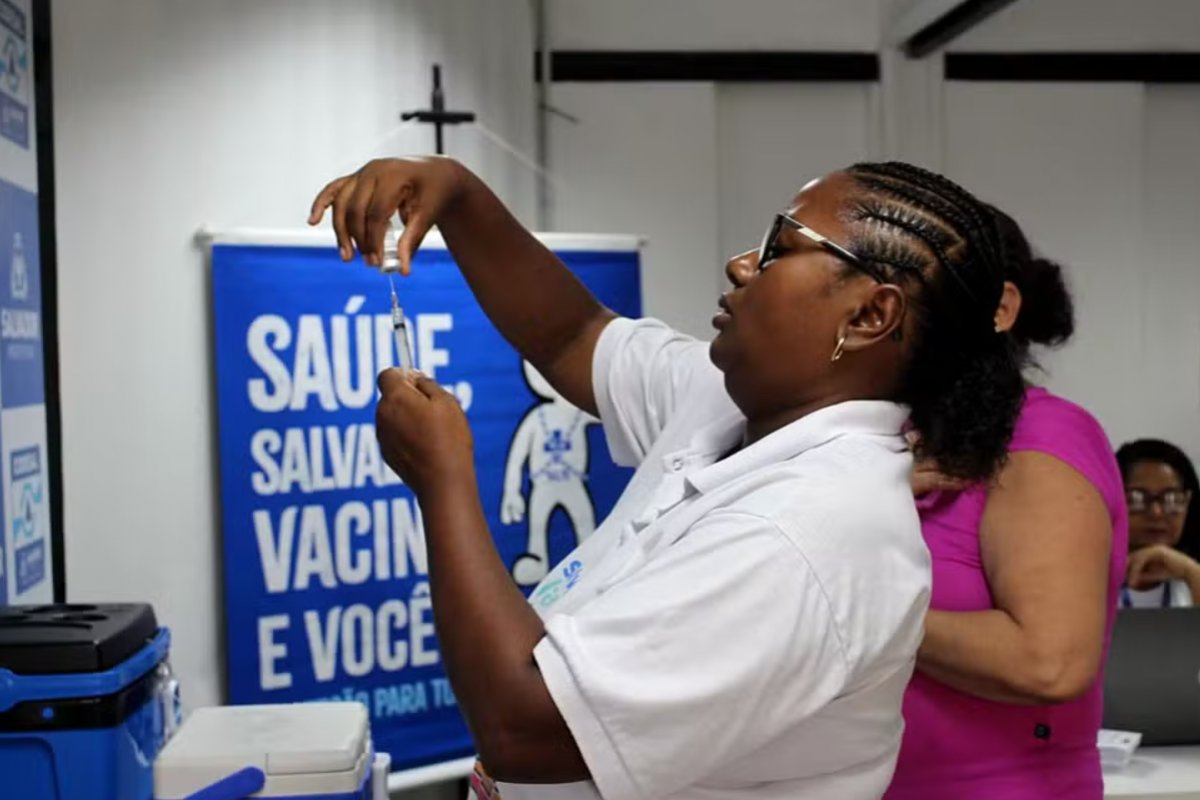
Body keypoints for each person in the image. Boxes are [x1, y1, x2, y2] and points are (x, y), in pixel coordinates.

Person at [309, 157, 1043, 800]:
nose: (740, 264)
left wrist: (443, 484)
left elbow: (526, 728)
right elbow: (573, 335)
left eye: (779, 249)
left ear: (869, 314)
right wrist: (459, 194)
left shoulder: (811, 535)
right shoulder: (734, 405)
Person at [885, 207, 1128, 800]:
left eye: (900, 291)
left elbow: (1048, 662)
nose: (876, 311)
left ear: (1000, 308)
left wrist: (861, 614)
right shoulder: (890, 442)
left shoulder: (1042, 439)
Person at [1116, 438, 1199, 607]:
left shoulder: (1193, 579)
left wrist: (1191, 573)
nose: (1156, 512)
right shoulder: (1083, 582)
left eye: (1171, 498)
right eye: (1137, 498)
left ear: (1188, 502)